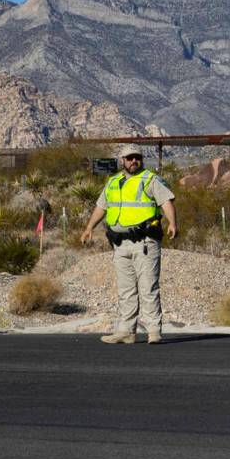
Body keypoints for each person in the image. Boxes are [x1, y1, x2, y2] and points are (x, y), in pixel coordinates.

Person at [80, 144, 178, 345]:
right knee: (126, 291)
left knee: (148, 287)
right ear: (122, 160)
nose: (134, 161)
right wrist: (89, 227)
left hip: (144, 242)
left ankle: (153, 331)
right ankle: (126, 331)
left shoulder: (150, 179)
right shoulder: (113, 182)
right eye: (129, 158)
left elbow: (166, 201)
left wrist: (172, 223)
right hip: (119, 244)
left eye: (137, 158)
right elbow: (101, 207)